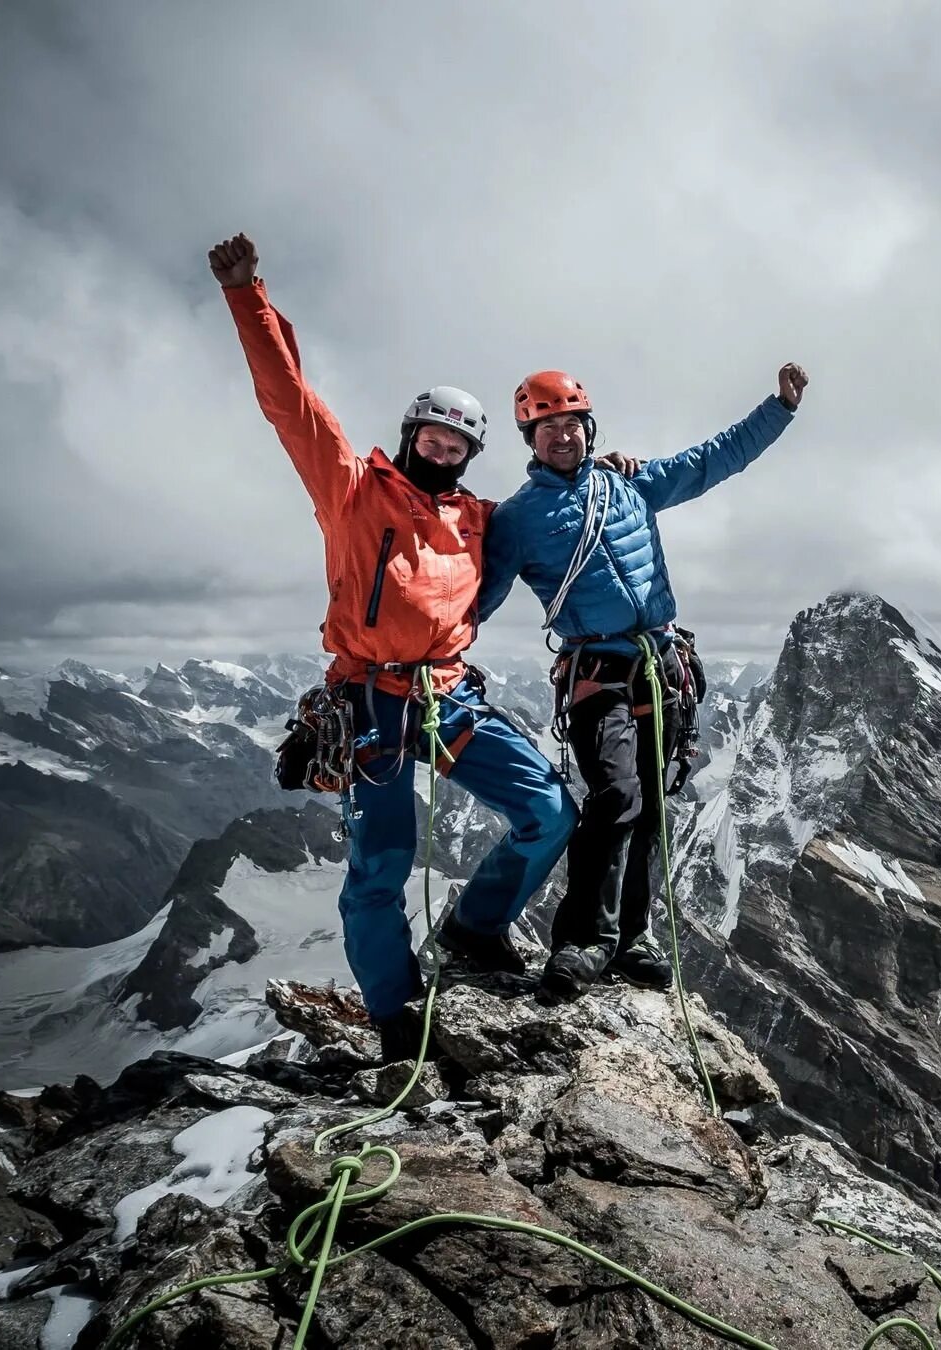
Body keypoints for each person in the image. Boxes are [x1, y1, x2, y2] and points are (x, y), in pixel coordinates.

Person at [206, 232, 579, 1046]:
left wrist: (599, 468)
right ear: (410, 437)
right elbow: (291, 403)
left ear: (471, 455)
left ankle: (475, 930)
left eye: (457, 448)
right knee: (380, 867)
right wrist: (248, 297)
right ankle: (396, 1015)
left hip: (446, 694)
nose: (442, 455)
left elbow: (558, 507)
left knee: (550, 809)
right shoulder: (352, 492)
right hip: (370, 699)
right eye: (432, 441)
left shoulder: (478, 519)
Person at [480, 362, 807, 999]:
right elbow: (478, 598)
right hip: (596, 671)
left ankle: (630, 937)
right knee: (615, 795)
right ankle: (582, 941)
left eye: (570, 424)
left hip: (659, 666)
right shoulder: (517, 521)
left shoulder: (629, 486)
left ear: (589, 428)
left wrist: (779, 408)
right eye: (546, 429)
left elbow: (714, 459)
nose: (561, 437)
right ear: (531, 443)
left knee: (651, 804)